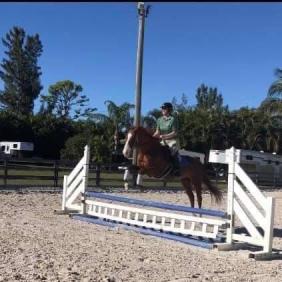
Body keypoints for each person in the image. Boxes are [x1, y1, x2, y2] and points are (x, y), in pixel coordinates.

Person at [153, 102, 180, 170]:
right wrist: (152, 137)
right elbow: (157, 132)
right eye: (162, 108)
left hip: (173, 141)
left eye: (164, 108)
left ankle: (176, 168)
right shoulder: (159, 120)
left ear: (169, 110)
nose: (162, 110)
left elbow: (175, 132)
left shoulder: (173, 119)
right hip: (163, 141)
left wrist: (164, 136)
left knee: (172, 152)